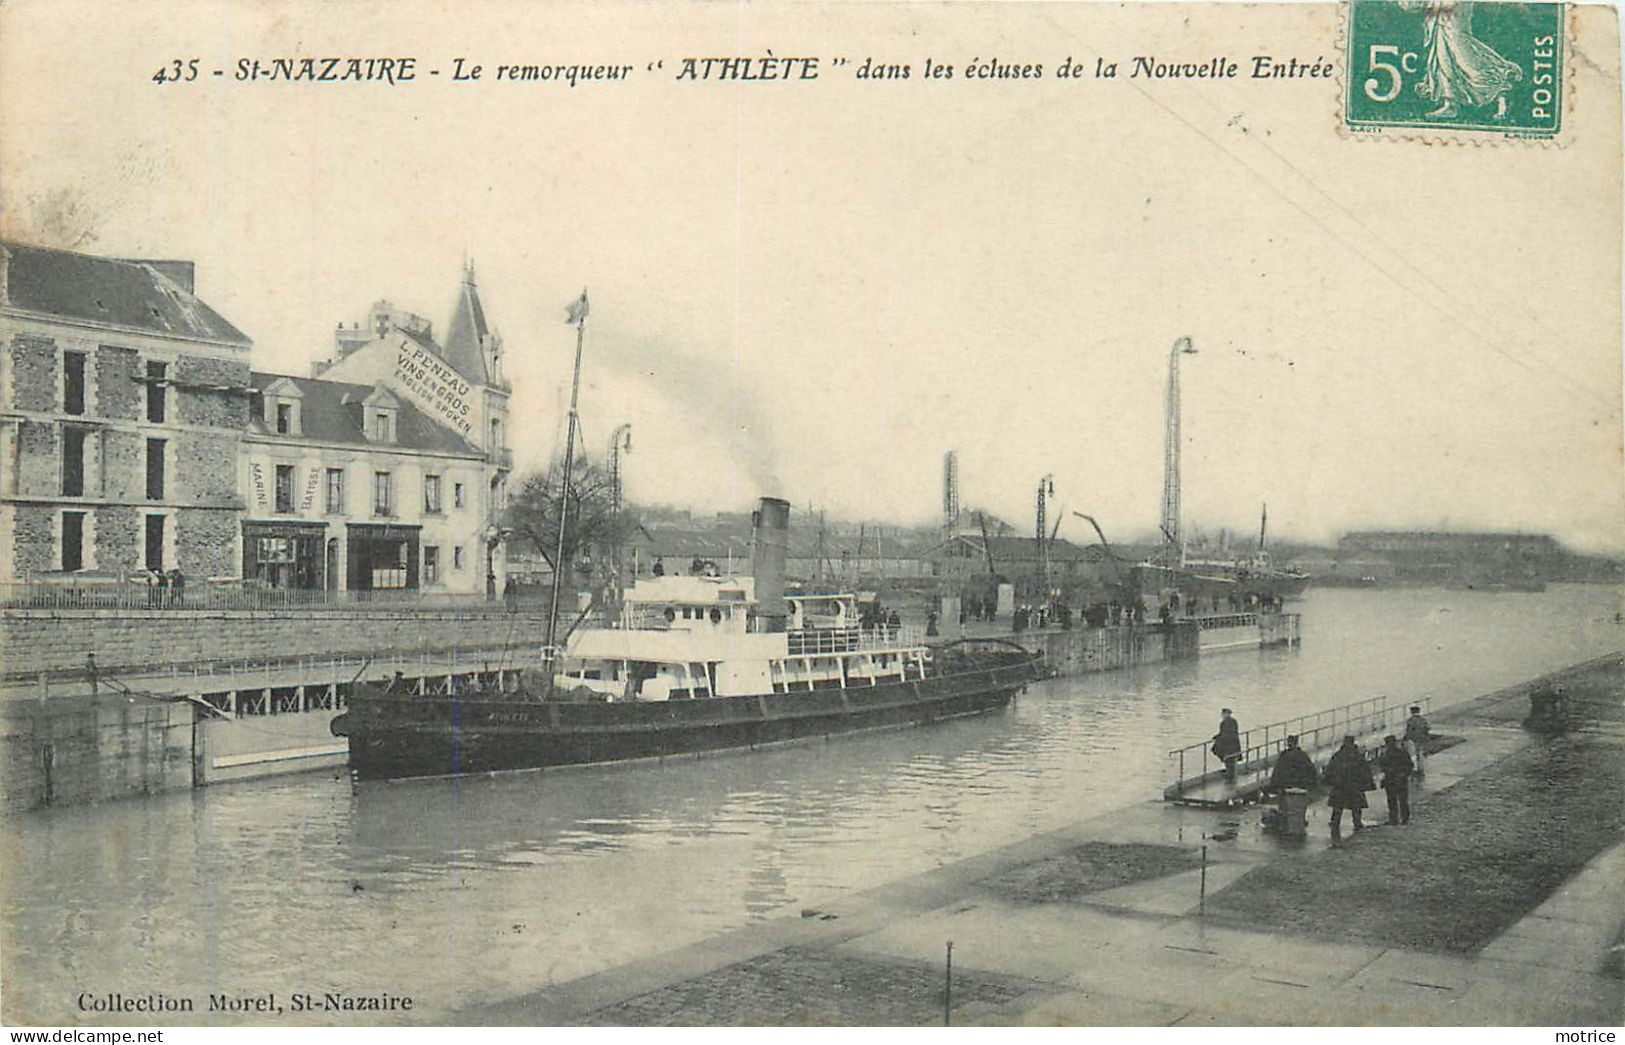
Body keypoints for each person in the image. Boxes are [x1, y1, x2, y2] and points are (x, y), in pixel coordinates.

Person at [1324, 735, 1376, 840]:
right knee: (1356, 807)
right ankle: (1357, 823)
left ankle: (1335, 823)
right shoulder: (1357, 756)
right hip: (1354, 786)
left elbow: (1330, 769)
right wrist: (1367, 784)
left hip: (1340, 786)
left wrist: (1329, 781)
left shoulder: (1338, 756)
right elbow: (1365, 771)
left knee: (1338, 807)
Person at [1378, 734, 1414, 825]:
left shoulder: (1386, 754)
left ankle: (1393, 819)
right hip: (1401, 780)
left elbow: (1382, 766)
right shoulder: (1402, 752)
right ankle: (1404, 818)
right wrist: (1405, 774)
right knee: (1403, 800)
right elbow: (1410, 766)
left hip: (1390, 780)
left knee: (1392, 801)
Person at [1212, 708, 1242, 783]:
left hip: (1227, 744)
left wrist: (1217, 738)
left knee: (1227, 759)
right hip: (1234, 743)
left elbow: (1224, 733)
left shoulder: (1224, 723)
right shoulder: (1234, 721)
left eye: (1223, 714)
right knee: (1232, 759)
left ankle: (1230, 777)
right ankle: (1232, 775)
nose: (1222, 715)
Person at [1404, 705, 1430, 778]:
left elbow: (1408, 731)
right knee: (1420, 754)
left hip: (1413, 739)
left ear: (1412, 712)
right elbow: (1427, 729)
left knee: (1413, 755)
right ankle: (1421, 768)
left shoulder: (1410, 720)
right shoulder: (1423, 720)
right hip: (1422, 739)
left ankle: (1415, 768)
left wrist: (1406, 738)